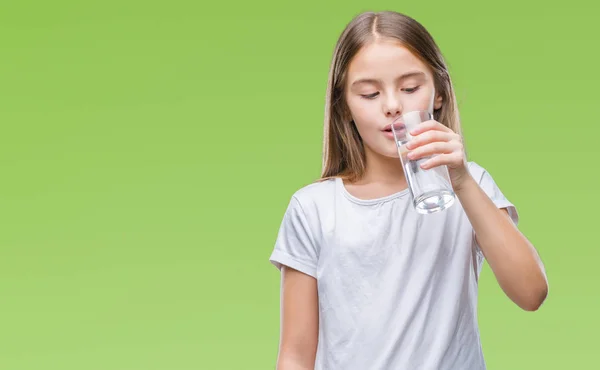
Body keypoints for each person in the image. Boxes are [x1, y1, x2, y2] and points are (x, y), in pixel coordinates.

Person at [269, 10, 548, 370]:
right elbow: (294, 354)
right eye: (369, 93)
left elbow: (531, 293)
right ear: (344, 109)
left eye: (410, 88)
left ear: (439, 95)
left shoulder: (470, 185)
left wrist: (460, 180)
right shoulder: (314, 208)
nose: (392, 106)